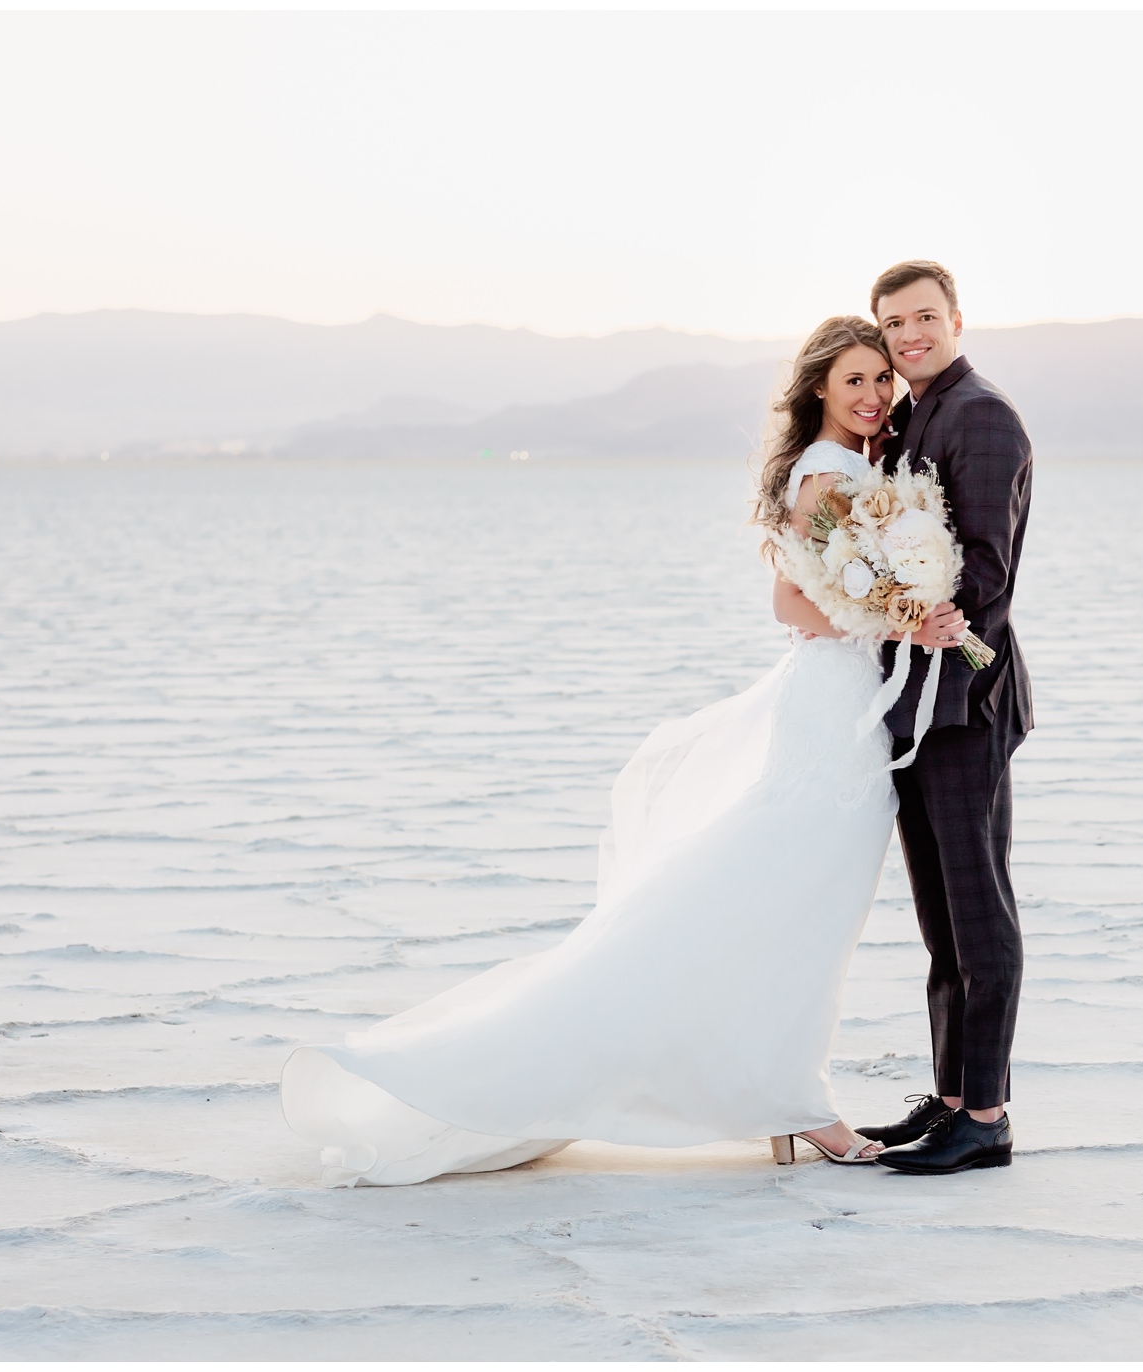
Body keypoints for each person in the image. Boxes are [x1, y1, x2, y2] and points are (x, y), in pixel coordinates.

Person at [279, 315, 972, 1184]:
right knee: (798, 910)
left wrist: (905, 610)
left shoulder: (853, 470)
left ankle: (789, 1096)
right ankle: (799, 1105)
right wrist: (911, 617)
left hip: (842, 709)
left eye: (881, 380)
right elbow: (794, 608)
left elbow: (838, 596)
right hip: (830, 716)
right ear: (821, 394)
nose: (873, 396)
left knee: (799, 911)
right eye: (854, 382)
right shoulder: (827, 474)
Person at [856, 261, 1034, 1176]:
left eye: (925, 317)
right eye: (894, 324)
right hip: (915, 700)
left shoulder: (983, 415)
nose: (910, 334)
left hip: (967, 698)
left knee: (978, 911)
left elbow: (987, 571)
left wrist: (927, 614)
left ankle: (989, 1117)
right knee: (939, 917)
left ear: (957, 319)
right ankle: (954, 1097)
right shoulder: (914, 415)